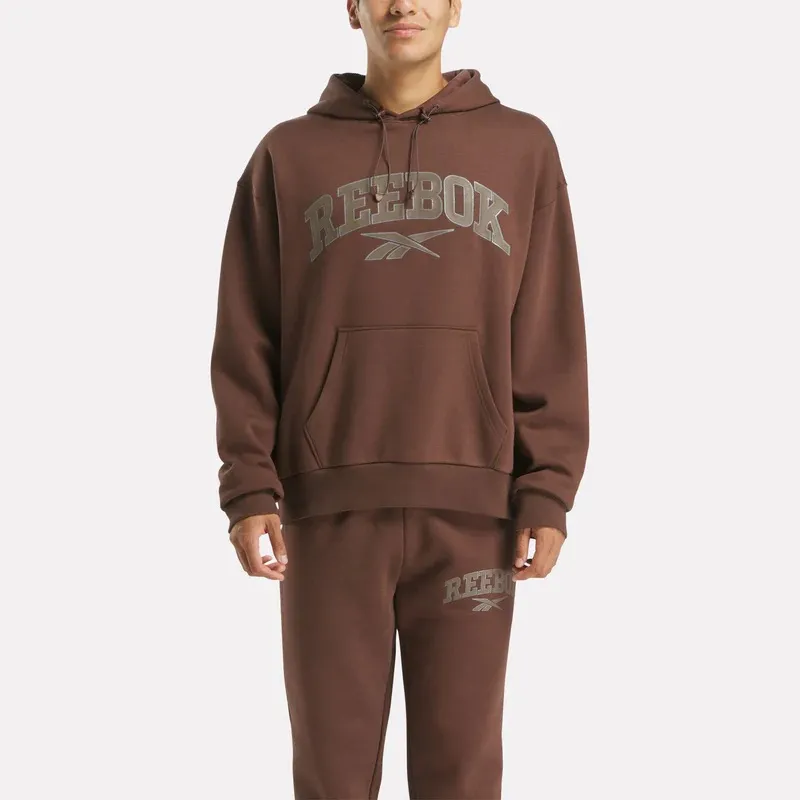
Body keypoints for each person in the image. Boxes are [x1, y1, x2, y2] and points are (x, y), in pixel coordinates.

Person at [209, 0, 589, 797]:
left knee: (463, 774)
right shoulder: (288, 153)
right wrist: (248, 487)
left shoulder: (522, 147)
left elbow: (547, 327)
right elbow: (247, 337)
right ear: (352, 8)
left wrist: (548, 489)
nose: (403, 4)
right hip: (326, 512)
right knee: (331, 776)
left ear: (456, 7)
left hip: (474, 514)